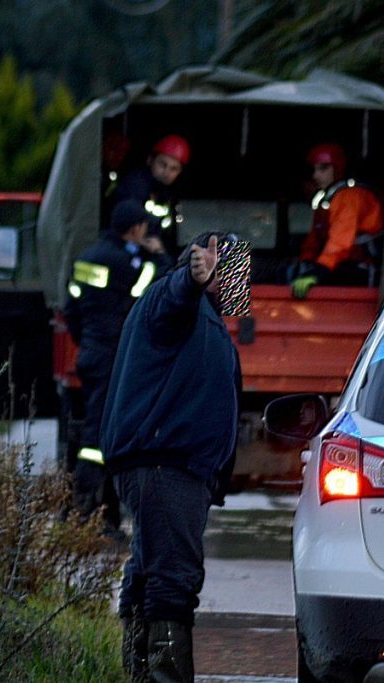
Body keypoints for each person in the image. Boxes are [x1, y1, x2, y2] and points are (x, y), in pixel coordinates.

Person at [101, 232, 241, 683]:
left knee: (150, 569)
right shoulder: (175, 300)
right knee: (173, 575)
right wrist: (191, 278)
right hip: (165, 464)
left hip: (173, 465)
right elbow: (174, 298)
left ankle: (139, 670)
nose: (238, 283)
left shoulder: (208, 319)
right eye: (231, 271)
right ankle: (162, 674)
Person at [62, 199, 174, 533]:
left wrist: (87, 340)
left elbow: (71, 308)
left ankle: (98, 514)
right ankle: (85, 512)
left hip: (92, 352)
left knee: (96, 429)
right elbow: (159, 287)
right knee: (99, 436)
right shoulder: (130, 263)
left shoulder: (88, 257)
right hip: (113, 356)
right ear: (136, 228)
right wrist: (159, 255)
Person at [289, 143, 384, 298]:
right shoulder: (327, 199)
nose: (316, 176)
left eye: (323, 169)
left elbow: (340, 243)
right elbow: (314, 239)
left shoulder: (350, 197)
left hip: (358, 272)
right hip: (336, 266)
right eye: (314, 170)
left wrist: (317, 271)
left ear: (337, 168)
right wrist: (305, 261)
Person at [112, 134, 191, 255]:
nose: (166, 172)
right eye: (162, 164)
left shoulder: (168, 192)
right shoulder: (135, 185)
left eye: (174, 169)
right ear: (150, 160)